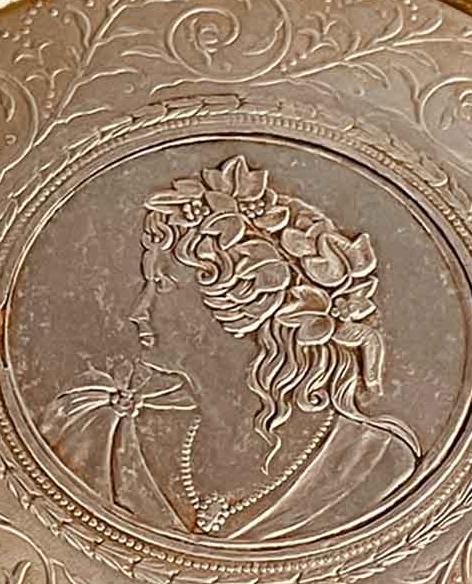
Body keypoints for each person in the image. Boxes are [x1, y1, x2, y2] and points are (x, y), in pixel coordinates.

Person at [39, 154, 422, 541]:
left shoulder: (373, 464)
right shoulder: (112, 432)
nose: (139, 311)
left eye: (163, 285)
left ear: (245, 302)